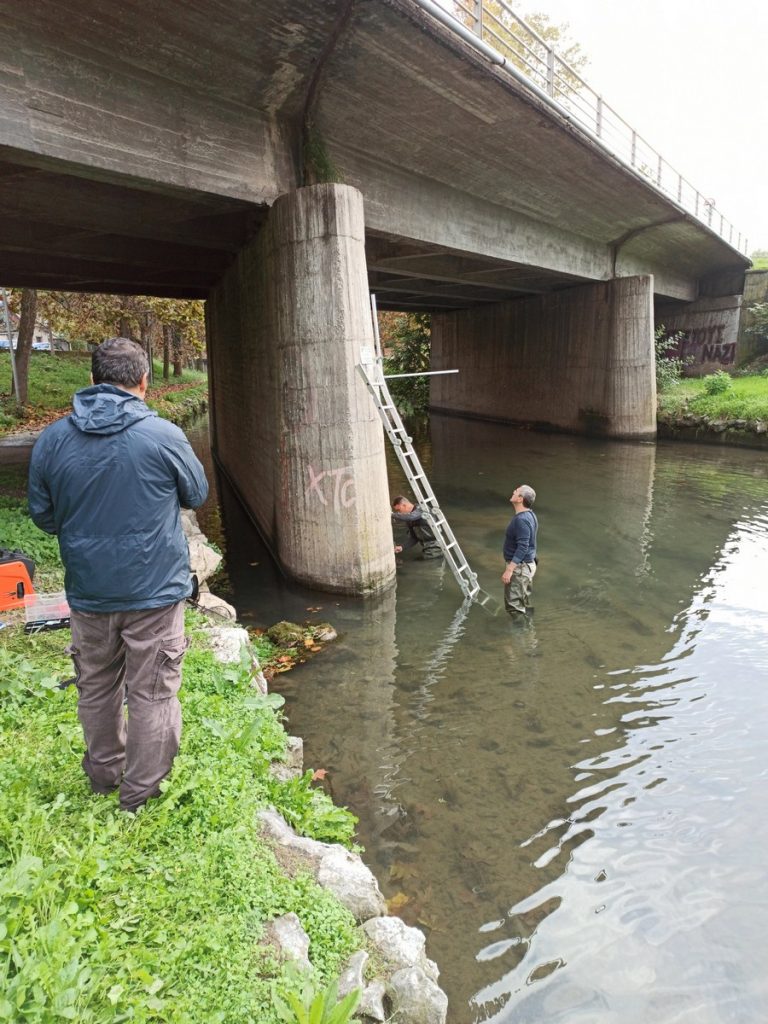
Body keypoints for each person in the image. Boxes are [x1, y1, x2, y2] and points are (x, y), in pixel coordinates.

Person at [28, 337, 208, 812]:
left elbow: (44, 517)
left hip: (89, 592)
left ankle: (105, 776)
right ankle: (140, 795)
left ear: (90, 380)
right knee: (151, 691)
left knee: (97, 684)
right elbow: (196, 493)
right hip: (155, 592)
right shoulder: (164, 435)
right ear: (144, 382)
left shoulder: (52, 439)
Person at [501, 484, 538, 616]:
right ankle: (529, 629)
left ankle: (519, 634)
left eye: (516, 491)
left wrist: (509, 570)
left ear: (520, 498)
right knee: (524, 601)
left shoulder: (521, 520)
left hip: (520, 569)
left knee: (514, 607)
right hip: (527, 565)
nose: (513, 492)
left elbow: (523, 547)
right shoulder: (530, 515)